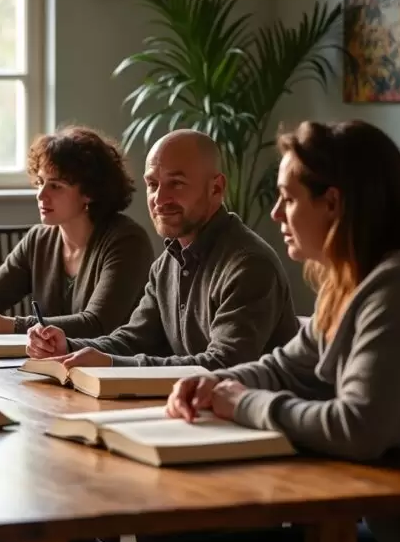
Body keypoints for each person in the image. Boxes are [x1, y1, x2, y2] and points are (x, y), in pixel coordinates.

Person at [137, 120, 400, 542]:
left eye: (288, 199)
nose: (275, 214)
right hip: (381, 523)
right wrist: (213, 382)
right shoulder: (350, 284)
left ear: (332, 204)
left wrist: (242, 403)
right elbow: (284, 368)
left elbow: (358, 427)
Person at [27, 129, 299, 372]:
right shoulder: (168, 262)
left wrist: (112, 364)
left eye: (176, 183)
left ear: (216, 188)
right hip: (192, 413)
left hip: (249, 424)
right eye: (153, 185)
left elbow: (223, 365)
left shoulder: (249, 266)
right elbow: (134, 339)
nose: (159, 198)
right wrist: (68, 346)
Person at [0, 125, 153, 337]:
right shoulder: (39, 240)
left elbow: (96, 324)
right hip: (50, 365)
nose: (41, 195)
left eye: (55, 186)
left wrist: (8, 325)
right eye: (40, 182)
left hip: (115, 367)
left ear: (90, 192)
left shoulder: (127, 241)